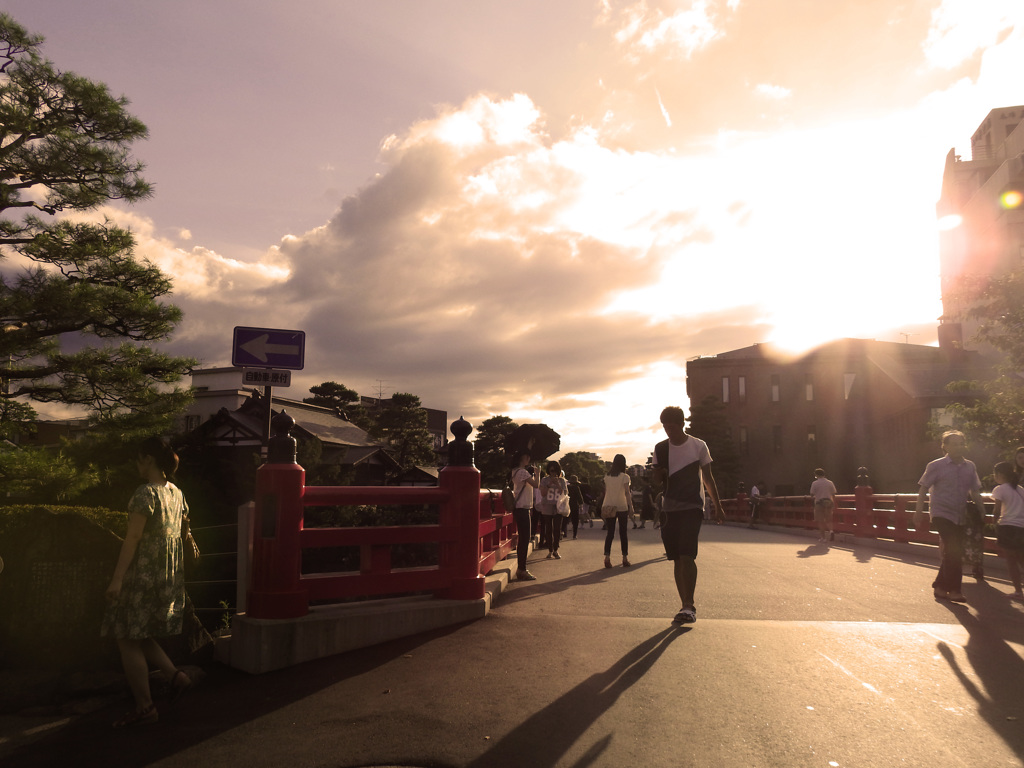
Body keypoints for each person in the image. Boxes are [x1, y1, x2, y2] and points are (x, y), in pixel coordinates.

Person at [101, 437, 195, 727]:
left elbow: (133, 537)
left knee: (126, 635)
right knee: (138, 632)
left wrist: (117, 579)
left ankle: (145, 709)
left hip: (143, 572)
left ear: (149, 459)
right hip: (167, 574)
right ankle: (175, 676)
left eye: (139, 458)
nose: (137, 464)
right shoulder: (176, 492)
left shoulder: (145, 493)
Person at [652, 406, 725, 625]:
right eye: (665, 427)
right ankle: (683, 602)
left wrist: (717, 505)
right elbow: (655, 482)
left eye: (672, 427)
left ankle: (689, 605)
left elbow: (708, 478)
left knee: (687, 555)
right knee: (675, 558)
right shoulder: (660, 448)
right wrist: (658, 474)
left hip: (692, 507)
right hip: (669, 508)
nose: (668, 431)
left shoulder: (698, 446)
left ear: (681, 424)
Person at [914, 430, 985, 603]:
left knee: (952, 551)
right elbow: (923, 488)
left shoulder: (970, 466)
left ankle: (939, 586)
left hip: (960, 513)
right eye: (954, 444)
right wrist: (918, 512)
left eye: (961, 443)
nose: (959, 447)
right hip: (941, 513)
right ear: (944, 446)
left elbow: (974, 490)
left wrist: (982, 510)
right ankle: (955, 590)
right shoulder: (935, 465)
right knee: (954, 549)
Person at [992, 460, 1024, 601]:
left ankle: (1018, 591)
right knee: (1022, 559)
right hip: (1022, 527)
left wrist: (995, 524)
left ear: (999, 474)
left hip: (1008, 527)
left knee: (1011, 561)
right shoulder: (1021, 489)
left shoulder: (1000, 489)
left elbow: (997, 511)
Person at [510, 451, 540, 581]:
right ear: (523, 457)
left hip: (521, 508)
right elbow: (536, 485)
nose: (529, 458)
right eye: (528, 456)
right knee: (524, 540)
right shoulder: (522, 472)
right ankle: (522, 569)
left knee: (523, 539)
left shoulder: (516, 471)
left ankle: (521, 568)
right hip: (522, 508)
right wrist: (537, 474)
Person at [600, 454, 634, 568]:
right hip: (621, 506)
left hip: (608, 505)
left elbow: (606, 491)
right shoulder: (625, 477)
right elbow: (627, 493)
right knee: (623, 533)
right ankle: (624, 558)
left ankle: (607, 557)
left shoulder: (607, 476)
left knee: (610, 533)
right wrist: (631, 507)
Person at [539, 461, 568, 559]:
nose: (553, 473)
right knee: (548, 528)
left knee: (557, 529)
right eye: (551, 470)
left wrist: (557, 484)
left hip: (558, 506)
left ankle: (556, 550)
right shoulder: (544, 480)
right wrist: (549, 484)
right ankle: (550, 550)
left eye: (555, 470)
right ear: (548, 470)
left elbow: (564, 493)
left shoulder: (562, 481)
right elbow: (542, 493)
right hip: (547, 505)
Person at [809, 469, 838, 543]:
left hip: (819, 503)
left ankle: (823, 538)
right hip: (828, 503)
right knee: (829, 520)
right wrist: (833, 503)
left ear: (816, 475)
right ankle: (831, 531)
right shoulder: (830, 482)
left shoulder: (815, 483)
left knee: (820, 521)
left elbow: (812, 494)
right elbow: (833, 494)